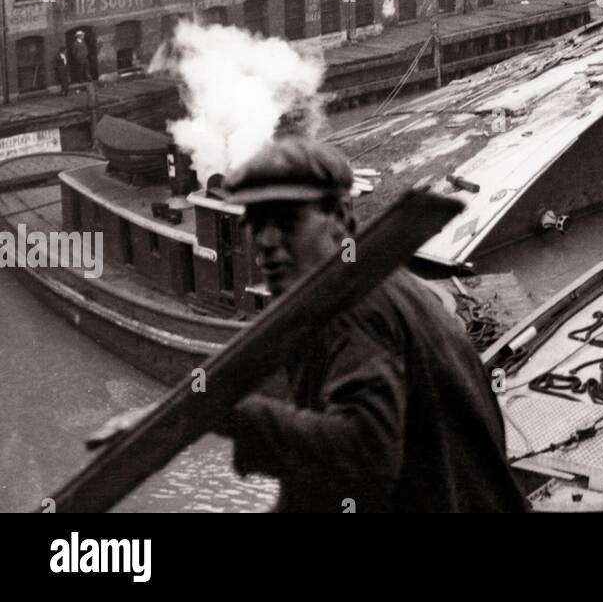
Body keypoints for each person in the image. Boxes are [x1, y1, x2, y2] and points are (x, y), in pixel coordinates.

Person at [88, 137, 528, 513]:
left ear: (342, 220)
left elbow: (363, 452)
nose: (266, 241)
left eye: (286, 221)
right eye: (256, 224)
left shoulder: (349, 309)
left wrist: (222, 411)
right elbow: (327, 477)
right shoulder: (391, 288)